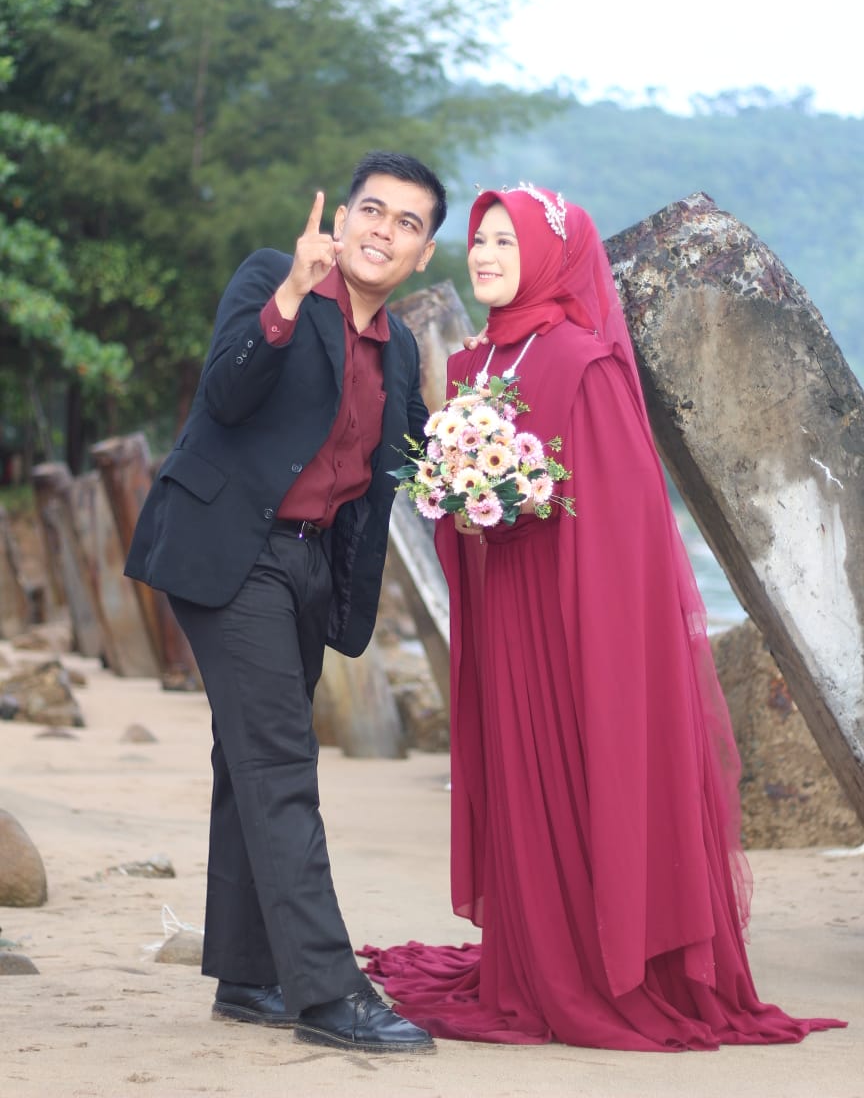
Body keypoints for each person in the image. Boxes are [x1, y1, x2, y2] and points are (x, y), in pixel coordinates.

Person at [361, 183, 847, 1050]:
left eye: (507, 242)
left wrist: (529, 512)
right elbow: (457, 499)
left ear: (551, 256)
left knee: (585, 770)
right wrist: (464, 506)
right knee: (518, 778)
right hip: (503, 611)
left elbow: (625, 527)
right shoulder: (472, 369)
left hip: (569, 616)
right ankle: (534, 956)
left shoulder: (585, 364)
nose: (485, 256)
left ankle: (600, 964)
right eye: (480, 240)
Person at [125, 151, 446, 1054]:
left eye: (408, 223)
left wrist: (502, 472)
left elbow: (418, 461)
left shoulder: (402, 348)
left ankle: (248, 974)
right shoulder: (274, 277)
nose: (384, 231)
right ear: (341, 220)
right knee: (280, 763)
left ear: (424, 254)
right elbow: (224, 395)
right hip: (229, 550)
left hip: (311, 568)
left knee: (250, 764)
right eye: (372, 210)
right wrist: (291, 299)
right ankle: (328, 993)